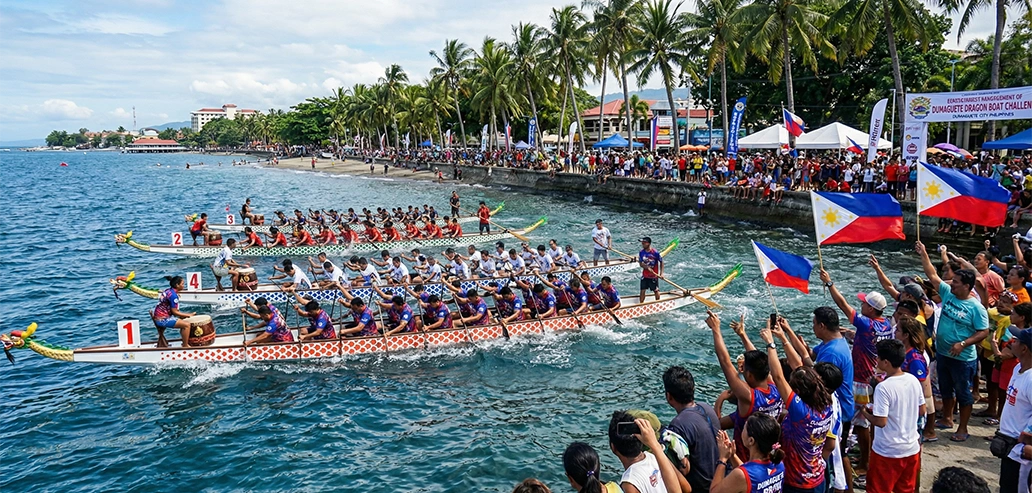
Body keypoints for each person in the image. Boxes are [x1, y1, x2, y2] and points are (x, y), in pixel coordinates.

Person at [818, 268, 890, 474]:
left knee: (861, 423)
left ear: (871, 309)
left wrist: (830, 283)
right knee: (865, 421)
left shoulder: (866, 323)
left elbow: (843, 305)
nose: (861, 305)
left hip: (862, 381)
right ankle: (868, 456)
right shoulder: (885, 324)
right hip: (876, 376)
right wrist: (852, 335)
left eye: (864, 304)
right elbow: (870, 340)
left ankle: (864, 463)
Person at [915, 241, 989, 442]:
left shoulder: (976, 307)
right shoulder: (948, 294)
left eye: (955, 282)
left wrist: (963, 343)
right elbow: (932, 274)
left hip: (963, 358)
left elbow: (984, 331)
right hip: (943, 353)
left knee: (963, 393)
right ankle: (947, 418)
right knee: (946, 389)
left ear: (966, 286)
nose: (951, 283)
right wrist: (923, 253)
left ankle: (963, 428)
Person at [758, 325, 835, 493]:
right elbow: (800, 367)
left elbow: (778, 377)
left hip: (797, 483)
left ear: (798, 392)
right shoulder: (827, 404)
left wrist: (771, 344)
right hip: (817, 477)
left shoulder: (802, 412)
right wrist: (783, 338)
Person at [706, 311, 782, 461]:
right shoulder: (775, 388)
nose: (741, 370)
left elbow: (725, 361)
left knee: (712, 426)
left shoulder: (748, 396)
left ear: (750, 375)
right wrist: (742, 335)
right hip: (767, 456)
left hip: (744, 461)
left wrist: (716, 329)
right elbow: (759, 360)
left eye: (743, 368)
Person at [857, 339, 925, 493]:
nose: (876, 360)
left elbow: (881, 422)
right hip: (911, 447)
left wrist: (865, 413)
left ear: (886, 362)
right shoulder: (912, 380)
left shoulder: (883, 388)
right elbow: (922, 410)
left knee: (878, 489)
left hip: (887, 451)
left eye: (878, 358)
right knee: (905, 489)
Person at [663, 366, 719, 493]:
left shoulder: (678, 425)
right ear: (693, 389)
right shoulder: (706, 408)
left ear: (669, 396)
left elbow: (684, 469)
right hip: (721, 480)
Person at [607, 412, 684, 493]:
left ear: (613, 447)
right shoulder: (657, 457)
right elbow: (686, 488)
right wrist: (655, 445)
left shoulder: (630, 483)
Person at [710, 414, 786, 493]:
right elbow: (750, 476)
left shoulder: (742, 475)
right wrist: (732, 455)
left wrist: (722, 459)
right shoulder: (779, 464)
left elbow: (714, 492)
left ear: (751, 441)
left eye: (744, 427)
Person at [998, 325, 1032, 493]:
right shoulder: (1018, 368)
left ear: (1024, 349)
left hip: (1021, 453)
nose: (1012, 342)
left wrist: (1028, 436)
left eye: (1017, 340)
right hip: (1008, 446)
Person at [151, 276, 196, 348]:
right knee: (187, 325)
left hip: (159, 316)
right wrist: (188, 315)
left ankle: (184, 341)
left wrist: (183, 316)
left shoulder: (168, 290)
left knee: (183, 321)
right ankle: (185, 345)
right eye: (182, 284)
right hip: (162, 319)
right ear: (177, 285)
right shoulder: (173, 295)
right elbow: (174, 312)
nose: (184, 285)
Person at [638, 237, 662, 302]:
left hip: (653, 276)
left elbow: (661, 262)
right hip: (645, 275)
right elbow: (640, 264)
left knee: (655, 290)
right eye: (642, 243)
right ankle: (641, 304)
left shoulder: (655, 252)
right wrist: (647, 267)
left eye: (644, 243)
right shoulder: (641, 252)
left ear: (648, 243)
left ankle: (658, 303)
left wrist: (661, 273)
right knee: (642, 290)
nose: (642, 244)